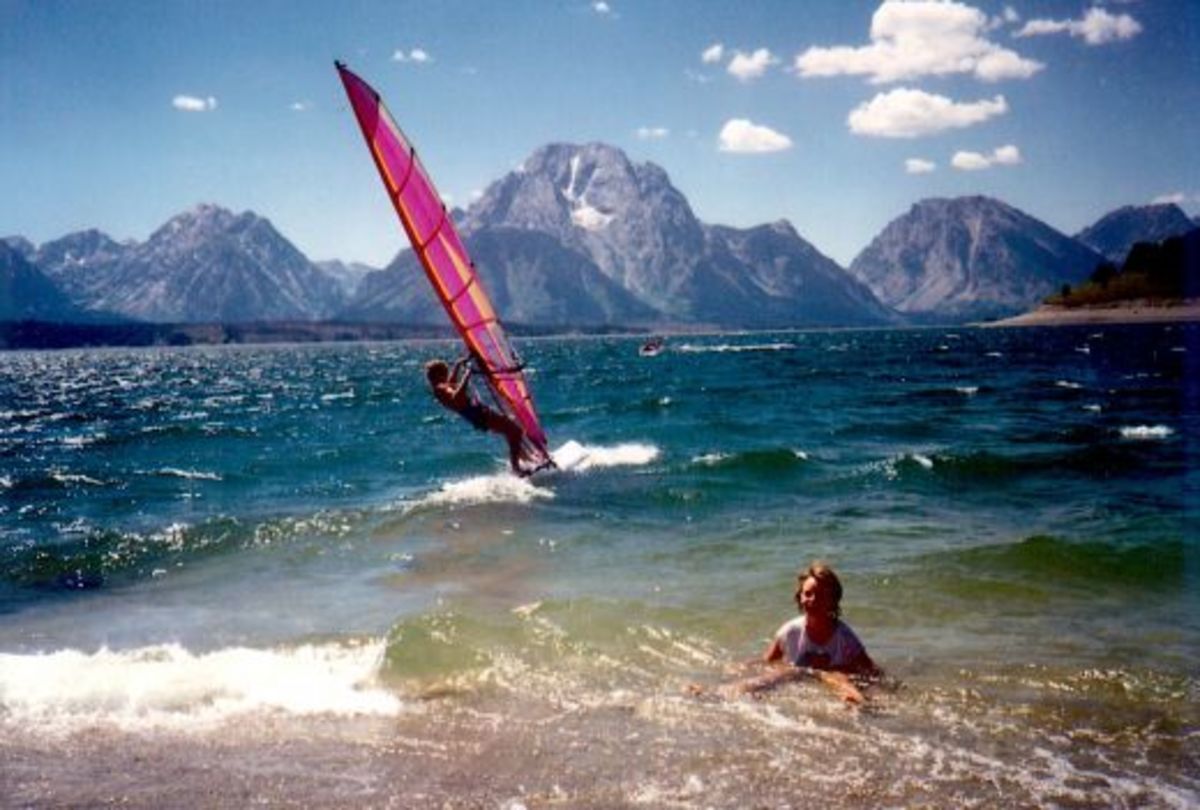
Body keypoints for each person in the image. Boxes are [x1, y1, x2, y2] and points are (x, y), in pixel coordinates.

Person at [699, 562, 881, 705]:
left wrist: (886, 687)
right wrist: (739, 668)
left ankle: (860, 705)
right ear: (800, 598)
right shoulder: (790, 631)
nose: (813, 600)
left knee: (840, 679)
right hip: (796, 674)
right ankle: (716, 693)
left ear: (833, 601)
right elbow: (767, 662)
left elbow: (871, 671)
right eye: (808, 594)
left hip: (831, 675)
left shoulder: (845, 637)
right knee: (774, 676)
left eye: (821, 595)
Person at [426, 356, 531, 476]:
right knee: (514, 432)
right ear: (439, 374)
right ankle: (516, 468)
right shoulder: (440, 389)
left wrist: (458, 365)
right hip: (478, 414)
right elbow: (456, 397)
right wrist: (467, 374)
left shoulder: (440, 387)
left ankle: (524, 459)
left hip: (477, 414)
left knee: (511, 429)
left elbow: (451, 383)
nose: (448, 374)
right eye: (446, 372)